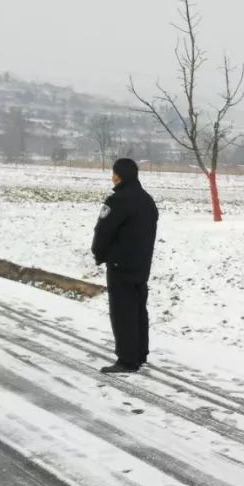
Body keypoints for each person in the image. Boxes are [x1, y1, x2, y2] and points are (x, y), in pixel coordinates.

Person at [91, 157, 159, 374]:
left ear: (118, 176)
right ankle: (140, 353)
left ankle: (127, 360)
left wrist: (99, 254)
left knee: (122, 312)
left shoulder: (117, 200)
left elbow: (102, 231)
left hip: (120, 265)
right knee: (139, 309)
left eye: (113, 174)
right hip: (142, 265)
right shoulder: (147, 200)